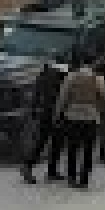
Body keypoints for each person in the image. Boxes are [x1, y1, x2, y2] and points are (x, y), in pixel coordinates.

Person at [56, 50, 105, 188]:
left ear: (81, 63)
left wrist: (59, 113)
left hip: (72, 116)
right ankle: (84, 179)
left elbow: (62, 97)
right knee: (88, 149)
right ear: (93, 63)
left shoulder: (71, 77)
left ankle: (71, 177)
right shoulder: (97, 78)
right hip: (91, 117)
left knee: (72, 148)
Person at [19, 55, 68, 185]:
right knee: (50, 142)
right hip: (56, 112)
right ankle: (29, 166)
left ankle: (48, 170)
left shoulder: (44, 74)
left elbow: (36, 93)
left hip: (46, 111)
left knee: (49, 141)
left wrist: (34, 109)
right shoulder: (62, 75)